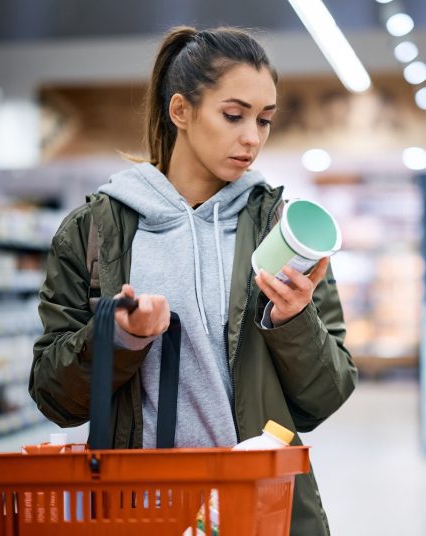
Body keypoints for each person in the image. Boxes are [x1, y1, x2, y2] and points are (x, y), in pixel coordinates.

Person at [29, 25, 357, 535]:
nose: (252, 137)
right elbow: (54, 396)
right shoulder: (95, 232)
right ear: (180, 110)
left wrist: (293, 320)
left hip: (259, 509)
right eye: (233, 115)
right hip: (140, 511)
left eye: (264, 120)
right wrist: (119, 338)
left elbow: (326, 395)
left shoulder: (281, 230)